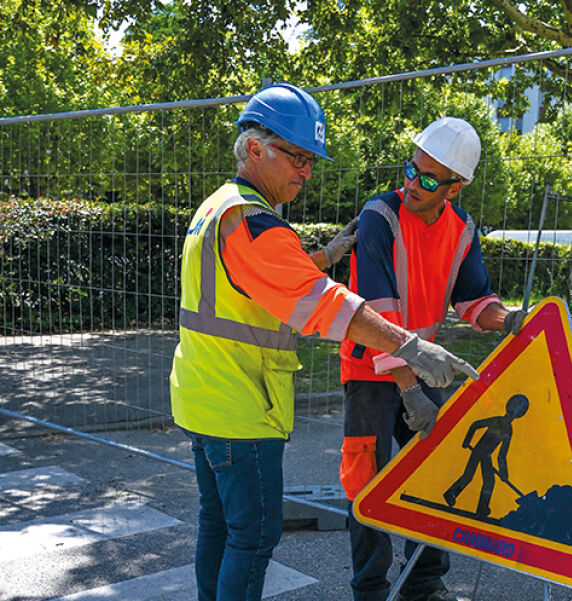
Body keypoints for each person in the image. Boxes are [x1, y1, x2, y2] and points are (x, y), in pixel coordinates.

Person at [169, 84, 479, 601]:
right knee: (253, 536)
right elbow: (324, 305)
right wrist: (411, 348)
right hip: (241, 408)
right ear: (255, 149)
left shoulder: (219, 208)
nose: (306, 171)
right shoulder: (252, 222)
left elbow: (258, 283)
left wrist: (325, 255)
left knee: (220, 527)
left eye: (310, 160)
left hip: (204, 397)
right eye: (297, 156)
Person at [338, 116, 528, 601]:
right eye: (410, 169)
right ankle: (371, 591)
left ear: (456, 186)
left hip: (423, 370)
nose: (411, 184)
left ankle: (423, 585)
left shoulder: (462, 229)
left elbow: (473, 300)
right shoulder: (379, 216)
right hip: (370, 370)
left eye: (426, 179)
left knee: (439, 475)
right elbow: (379, 313)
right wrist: (409, 391)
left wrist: (508, 321)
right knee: (369, 483)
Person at [443, 393, 530, 518]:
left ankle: (481, 508)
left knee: (488, 481)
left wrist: (504, 473)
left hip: (486, 456)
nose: (511, 415)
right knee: (468, 476)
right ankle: (451, 494)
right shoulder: (500, 423)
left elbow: (501, 455)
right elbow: (475, 425)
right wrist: (466, 441)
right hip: (479, 451)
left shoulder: (507, 429)